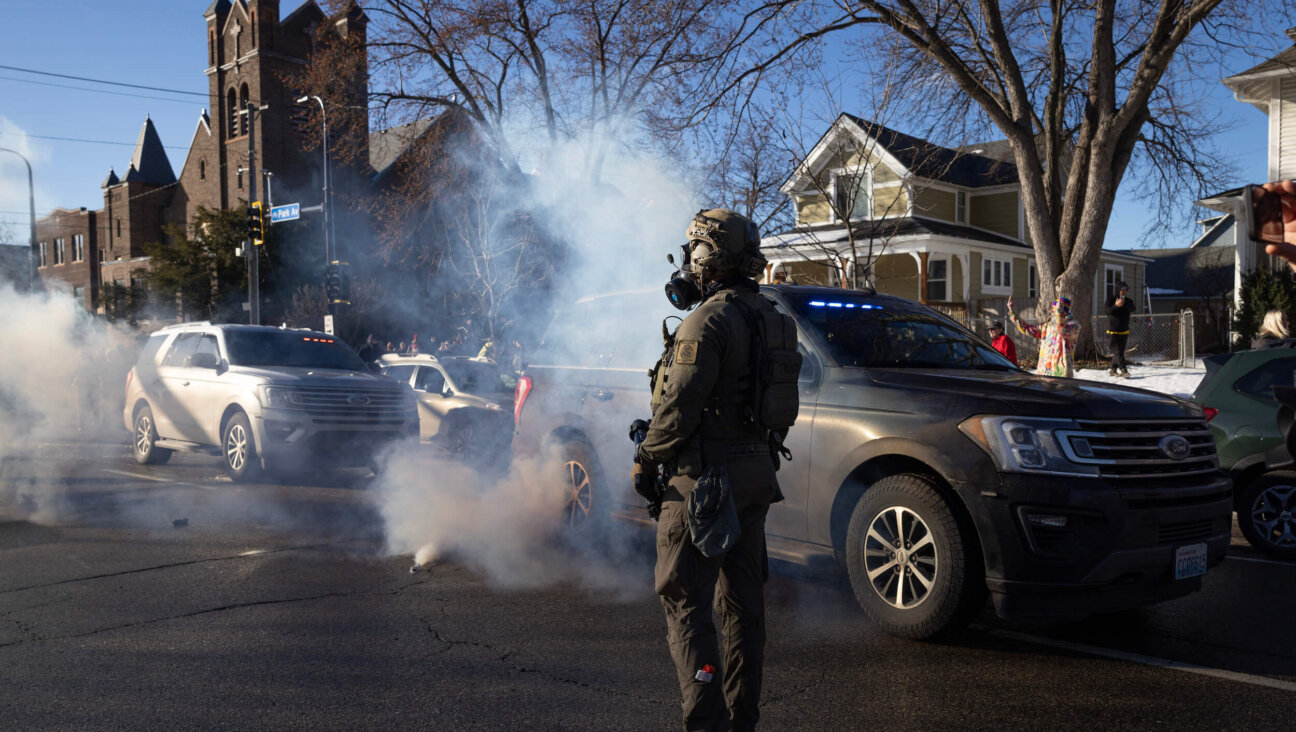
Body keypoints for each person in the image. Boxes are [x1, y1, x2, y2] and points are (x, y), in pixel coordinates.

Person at [634, 209, 793, 732]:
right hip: (754, 479)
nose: (688, 262)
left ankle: (707, 724)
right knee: (744, 611)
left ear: (708, 255)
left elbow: (678, 408)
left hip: (702, 486)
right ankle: (741, 721)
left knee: (686, 606)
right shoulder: (774, 318)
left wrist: (646, 458)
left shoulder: (707, 321)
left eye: (693, 251)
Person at [1006, 295, 1080, 377]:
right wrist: (1012, 311)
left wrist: (1059, 313)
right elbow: (1027, 329)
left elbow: (1062, 329)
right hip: (1044, 372)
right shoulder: (1047, 326)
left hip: (1061, 375)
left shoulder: (1073, 325)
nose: (1052, 312)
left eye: (1054, 310)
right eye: (1053, 310)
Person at [1104, 282, 1134, 377]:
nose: (1124, 292)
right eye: (1122, 290)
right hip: (1113, 330)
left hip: (1124, 330)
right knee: (1117, 351)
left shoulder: (1128, 301)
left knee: (1120, 351)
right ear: (1118, 290)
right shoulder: (1111, 300)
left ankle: (1113, 369)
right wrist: (1116, 306)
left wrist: (1124, 304)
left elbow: (1133, 308)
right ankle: (1124, 370)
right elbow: (1107, 311)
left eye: (1126, 290)